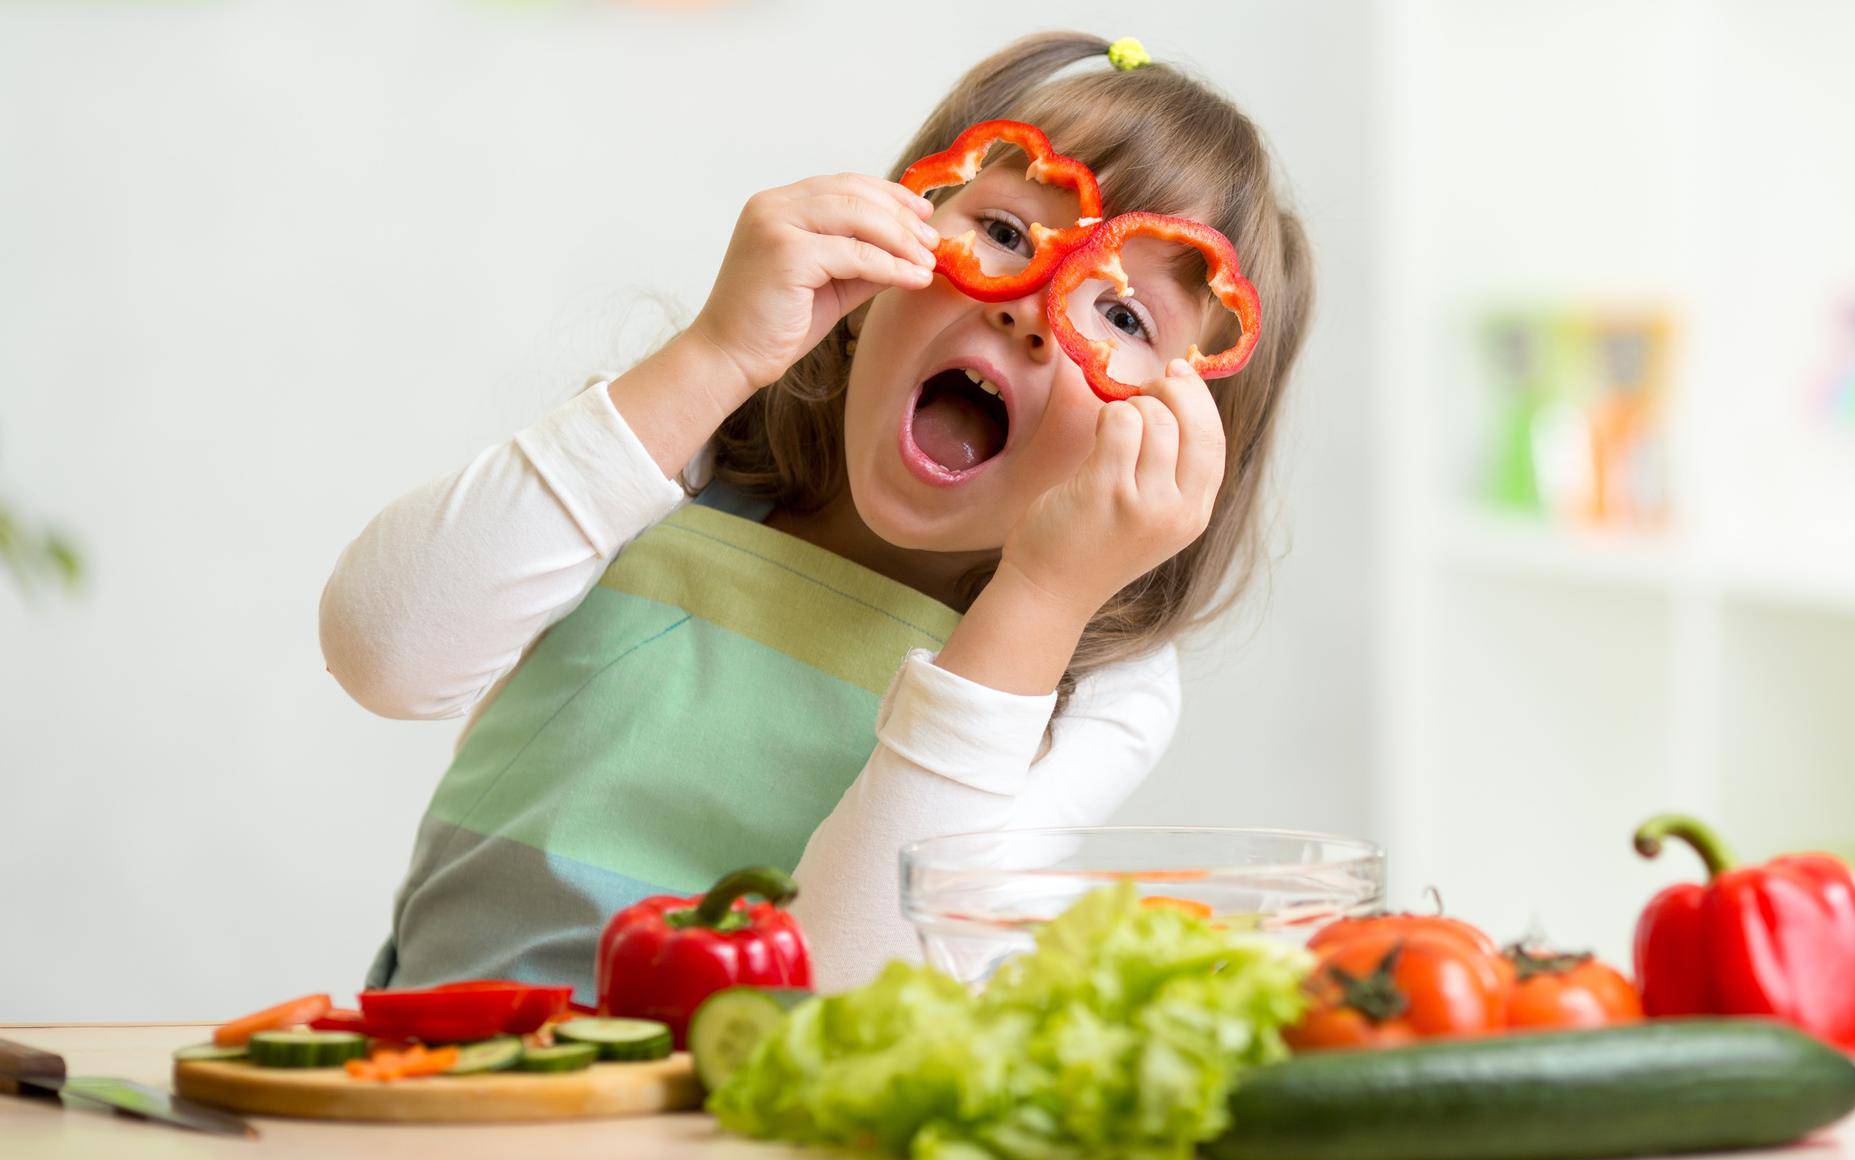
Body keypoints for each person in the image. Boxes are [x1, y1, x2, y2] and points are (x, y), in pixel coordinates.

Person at [319, 31, 1315, 996]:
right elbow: (384, 654)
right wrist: (711, 353)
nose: (1029, 307)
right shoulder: (680, 447)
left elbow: (855, 982)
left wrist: (1041, 599)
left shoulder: (1102, 682)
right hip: (434, 1084)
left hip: (748, 1154)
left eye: (1122, 314)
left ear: (1182, 439)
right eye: (1005, 232)